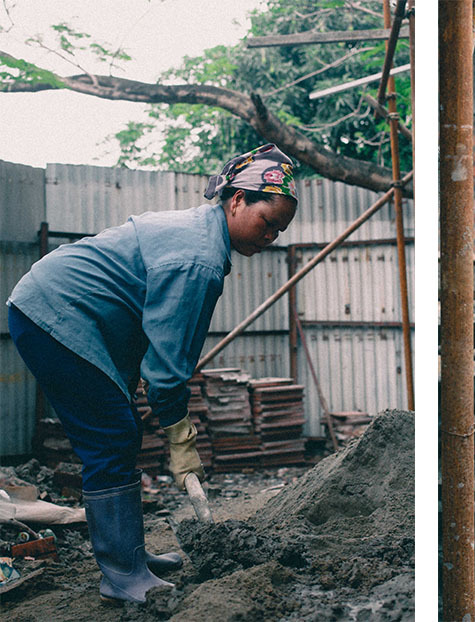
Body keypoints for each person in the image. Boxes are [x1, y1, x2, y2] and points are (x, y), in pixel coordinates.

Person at [6, 143, 299, 604]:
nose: (272, 238)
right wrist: (180, 435)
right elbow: (168, 370)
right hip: (54, 313)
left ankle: (132, 557)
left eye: (280, 230)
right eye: (268, 223)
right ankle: (123, 574)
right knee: (111, 437)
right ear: (237, 200)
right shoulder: (198, 258)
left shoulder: (202, 240)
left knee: (117, 432)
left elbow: (148, 326)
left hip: (66, 314)